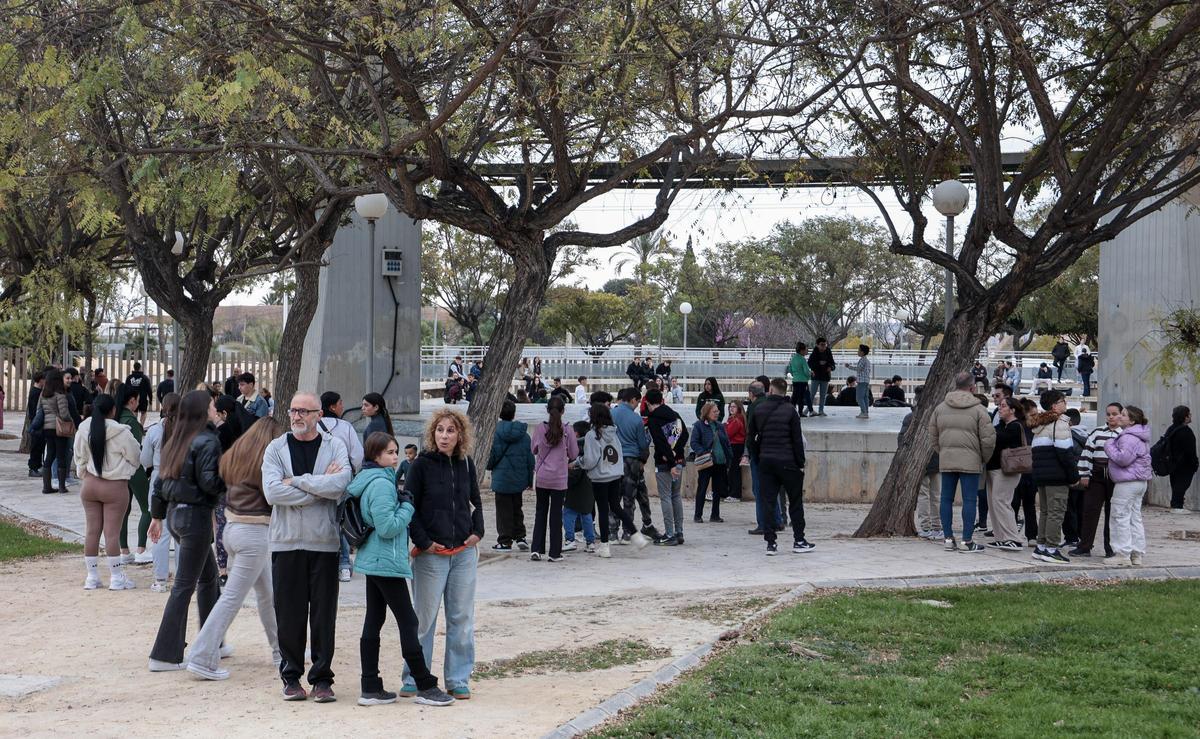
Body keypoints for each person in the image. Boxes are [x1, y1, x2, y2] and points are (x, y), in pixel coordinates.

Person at [346, 432, 456, 706]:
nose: (395, 457)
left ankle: (370, 685)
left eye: (396, 452)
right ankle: (425, 685)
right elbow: (387, 527)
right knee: (408, 621)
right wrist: (408, 506)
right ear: (375, 456)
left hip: (375, 560)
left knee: (374, 619)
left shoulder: (371, 479)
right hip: (386, 562)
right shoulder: (381, 484)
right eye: (389, 453)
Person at [261, 392, 352, 702]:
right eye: (293, 410)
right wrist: (316, 487)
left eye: (303, 411)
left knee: (324, 614)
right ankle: (291, 677)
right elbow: (273, 493)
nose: (296, 416)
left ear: (318, 416)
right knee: (288, 614)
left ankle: (322, 679)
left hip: (324, 542)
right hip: (285, 542)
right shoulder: (276, 448)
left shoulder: (335, 446)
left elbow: (340, 484)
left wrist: (296, 482)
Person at [185, 417, 285, 681]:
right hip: (253, 533)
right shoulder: (266, 461)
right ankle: (202, 656)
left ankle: (282, 651)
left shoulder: (236, 454)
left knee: (268, 594)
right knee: (232, 598)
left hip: (233, 529)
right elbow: (276, 494)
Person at [401, 408, 484, 701]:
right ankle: (414, 676)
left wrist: (478, 531)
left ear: (460, 434)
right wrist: (423, 541)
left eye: (450, 430)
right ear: (432, 434)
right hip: (431, 554)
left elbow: (475, 501)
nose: (444, 436)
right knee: (423, 619)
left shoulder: (465, 464)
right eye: (440, 430)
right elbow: (408, 507)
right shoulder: (420, 465)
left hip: (463, 552)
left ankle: (458, 678)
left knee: (461, 617)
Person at [147, 390, 226, 671]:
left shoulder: (176, 439)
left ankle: (213, 640)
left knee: (208, 579)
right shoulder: (208, 441)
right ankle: (164, 654)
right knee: (185, 586)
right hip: (196, 517)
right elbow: (209, 483)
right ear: (204, 411)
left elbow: (159, 483)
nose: (217, 410)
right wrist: (228, 478)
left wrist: (156, 516)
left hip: (175, 516)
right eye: (214, 406)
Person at [73, 394, 142, 590]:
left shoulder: (84, 428)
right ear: (113, 410)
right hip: (114, 486)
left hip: (90, 484)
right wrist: (127, 471)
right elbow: (135, 456)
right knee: (112, 534)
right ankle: (116, 577)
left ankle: (92, 577)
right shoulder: (121, 432)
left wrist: (83, 473)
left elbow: (78, 457)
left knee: (91, 531)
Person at [928, 372, 996, 553]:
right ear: (973, 387)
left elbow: (933, 436)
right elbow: (988, 440)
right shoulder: (979, 410)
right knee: (969, 500)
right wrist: (982, 457)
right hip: (971, 460)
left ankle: (948, 539)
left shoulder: (940, 408)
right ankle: (967, 540)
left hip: (947, 459)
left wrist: (942, 451)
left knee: (945, 499)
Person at [746, 378, 811, 555]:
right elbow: (797, 440)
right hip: (788, 462)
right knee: (795, 503)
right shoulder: (791, 411)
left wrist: (757, 458)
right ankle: (799, 540)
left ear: (771, 391)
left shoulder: (759, 410)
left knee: (768, 502)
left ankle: (771, 543)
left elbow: (751, 439)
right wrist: (800, 463)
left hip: (766, 462)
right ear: (785, 391)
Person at [1028, 390, 1079, 564]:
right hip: (1057, 476)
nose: (1065, 403)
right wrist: (1074, 476)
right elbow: (1065, 453)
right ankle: (1051, 548)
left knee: (1046, 512)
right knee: (1056, 513)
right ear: (1054, 405)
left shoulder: (1040, 425)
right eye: (1063, 401)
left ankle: (1041, 546)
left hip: (1042, 476)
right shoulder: (1060, 423)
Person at [321, 391, 366, 582]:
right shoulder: (345, 427)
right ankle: (344, 564)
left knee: (324, 520)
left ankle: (325, 563)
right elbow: (357, 456)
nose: (342, 406)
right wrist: (350, 471)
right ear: (332, 406)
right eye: (340, 403)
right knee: (342, 522)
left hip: (319, 482)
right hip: (342, 481)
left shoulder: (314, 426)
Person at [529, 396, 578, 562]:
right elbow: (574, 454)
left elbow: (534, 450)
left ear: (547, 410)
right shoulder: (568, 431)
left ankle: (536, 549)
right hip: (559, 478)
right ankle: (554, 553)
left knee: (540, 512)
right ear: (563, 411)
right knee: (556, 515)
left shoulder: (539, 429)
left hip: (542, 477)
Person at [1072, 402, 1122, 558]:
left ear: (1121, 415)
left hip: (1116, 477)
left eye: (1114, 414)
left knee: (1112, 513)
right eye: (1108, 414)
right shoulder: (1097, 432)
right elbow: (1086, 454)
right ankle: (1085, 546)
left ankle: (1111, 548)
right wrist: (1084, 475)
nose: (1111, 417)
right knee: (1090, 510)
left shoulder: (1125, 435)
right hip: (1097, 475)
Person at [1105, 405, 1151, 566]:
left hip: (1127, 482)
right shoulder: (1139, 436)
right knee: (1134, 517)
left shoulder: (1128, 437)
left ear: (1131, 421)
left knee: (1119, 516)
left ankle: (1122, 554)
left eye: (1123, 415)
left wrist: (1109, 446)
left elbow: (1123, 459)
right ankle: (1136, 553)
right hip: (1139, 482)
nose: (1119, 417)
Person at [142, 392, 179, 591]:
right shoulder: (186, 431)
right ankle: (183, 577)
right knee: (180, 531)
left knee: (159, 530)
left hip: (159, 478)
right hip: (181, 481)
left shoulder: (154, 431)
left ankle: (160, 579)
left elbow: (145, 459)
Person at [487, 400, 534, 552]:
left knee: (503, 512)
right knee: (517, 508)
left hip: (501, 479)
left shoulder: (495, 433)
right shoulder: (524, 435)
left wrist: (488, 466)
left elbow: (492, 456)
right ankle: (520, 536)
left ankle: (505, 541)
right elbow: (530, 460)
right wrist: (529, 480)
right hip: (519, 479)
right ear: (514, 414)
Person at [612, 388, 657, 541]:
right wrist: (643, 460)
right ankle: (627, 532)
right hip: (632, 461)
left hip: (614, 460)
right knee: (629, 498)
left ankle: (612, 531)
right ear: (633, 400)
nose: (638, 405)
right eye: (638, 402)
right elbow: (643, 444)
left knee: (614, 497)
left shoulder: (612, 414)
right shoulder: (636, 419)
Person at [647, 388, 689, 546]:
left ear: (649, 403)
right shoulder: (673, 414)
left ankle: (669, 534)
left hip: (665, 462)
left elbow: (660, 442)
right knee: (676, 496)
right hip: (678, 459)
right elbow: (683, 434)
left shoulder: (653, 419)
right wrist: (676, 453)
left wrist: (669, 460)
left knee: (665, 497)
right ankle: (679, 532)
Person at [984, 397, 1027, 550]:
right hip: (993, 468)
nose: (1000, 408)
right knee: (994, 503)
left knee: (1001, 502)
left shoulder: (1015, 426)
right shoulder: (1001, 425)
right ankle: (1001, 537)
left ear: (1012, 409)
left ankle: (1013, 538)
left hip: (1006, 471)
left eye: (1003, 406)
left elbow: (997, 440)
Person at [115, 386, 152, 565]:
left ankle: (124, 550)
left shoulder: (115, 419)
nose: (138, 403)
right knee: (148, 507)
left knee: (124, 510)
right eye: (137, 400)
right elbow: (137, 451)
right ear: (132, 401)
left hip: (119, 470)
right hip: (134, 469)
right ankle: (141, 549)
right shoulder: (131, 421)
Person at [899, 387, 941, 539]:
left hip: (919, 463)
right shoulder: (937, 417)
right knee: (936, 496)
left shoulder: (910, 417)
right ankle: (937, 527)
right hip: (936, 461)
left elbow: (902, 440)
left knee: (924, 496)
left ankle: (926, 527)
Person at [691, 401, 733, 523]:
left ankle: (715, 515)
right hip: (707, 461)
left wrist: (729, 456)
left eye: (717, 411)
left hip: (720, 462)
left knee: (717, 490)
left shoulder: (720, 426)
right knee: (702, 488)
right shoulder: (699, 425)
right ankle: (698, 515)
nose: (717, 413)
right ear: (707, 412)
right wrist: (703, 452)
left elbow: (727, 443)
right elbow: (694, 442)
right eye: (714, 411)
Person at [40, 370, 76, 494]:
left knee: (49, 455)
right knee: (61, 456)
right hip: (59, 429)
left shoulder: (43, 395)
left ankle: (46, 486)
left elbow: (40, 411)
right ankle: (61, 487)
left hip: (47, 428)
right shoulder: (60, 395)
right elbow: (64, 414)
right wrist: (72, 422)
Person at [563, 421, 597, 553]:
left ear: (576, 433)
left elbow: (575, 473)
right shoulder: (591, 447)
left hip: (576, 489)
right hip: (589, 487)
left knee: (568, 513)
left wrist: (565, 482)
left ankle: (570, 539)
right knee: (587, 515)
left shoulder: (577, 449)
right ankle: (590, 542)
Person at [1165, 406, 1198, 513]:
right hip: (1185, 465)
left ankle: (1176, 505)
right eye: (1189, 414)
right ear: (1185, 417)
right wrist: (1195, 464)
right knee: (1181, 485)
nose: (1191, 416)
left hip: (1172, 463)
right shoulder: (1186, 431)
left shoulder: (1171, 428)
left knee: (1176, 485)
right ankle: (1177, 507)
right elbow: (1190, 451)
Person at [724, 400, 747, 501]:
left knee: (734, 471)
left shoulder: (737, 419)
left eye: (734, 407)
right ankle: (731, 492)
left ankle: (735, 494)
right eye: (730, 406)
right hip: (733, 446)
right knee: (732, 470)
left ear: (738, 408)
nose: (731, 408)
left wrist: (724, 426)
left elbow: (728, 433)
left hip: (736, 446)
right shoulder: (732, 419)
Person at [842, 345, 873, 419]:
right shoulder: (866, 360)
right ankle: (866, 412)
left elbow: (858, 369)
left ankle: (863, 412)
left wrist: (849, 366)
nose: (858, 352)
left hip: (861, 381)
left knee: (859, 397)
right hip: (866, 381)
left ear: (862, 352)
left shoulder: (863, 360)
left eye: (859, 350)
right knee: (865, 397)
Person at [806, 338, 834, 416]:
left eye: (825, 344)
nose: (824, 346)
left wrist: (830, 367)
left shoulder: (828, 351)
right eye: (822, 344)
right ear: (817, 345)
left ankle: (821, 410)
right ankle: (808, 409)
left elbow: (832, 363)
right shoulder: (814, 352)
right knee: (812, 394)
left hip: (825, 376)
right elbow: (809, 364)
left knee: (823, 395)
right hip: (816, 376)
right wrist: (819, 364)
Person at [26, 371, 45, 478]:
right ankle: (33, 468)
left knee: (39, 447)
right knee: (36, 447)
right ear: (41, 380)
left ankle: (37, 466)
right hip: (36, 424)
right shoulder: (35, 392)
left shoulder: (38, 391)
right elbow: (34, 411)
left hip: (37, 423)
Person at [787, 341, 812, 417]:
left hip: (795, 380)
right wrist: (810, 375)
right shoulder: (802, 359)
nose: (806, 352)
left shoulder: (793, 358)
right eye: (805, 350)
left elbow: (790, 369)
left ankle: (790, 410)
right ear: (802, 350)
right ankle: (800, 412)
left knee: (794, 396)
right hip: (803, 381)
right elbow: (806, 371)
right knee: (801, 397)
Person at [125, 361, 154, 425]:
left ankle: (134, 425)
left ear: (134, 368)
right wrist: (150, 399)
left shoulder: (129, 378)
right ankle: (141, 426)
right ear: (140, 368)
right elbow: (149, 389)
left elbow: (125, 388)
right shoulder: (145, 378)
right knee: (143, 412)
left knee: (134, 412)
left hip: (132, 399)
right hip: (143, 398)